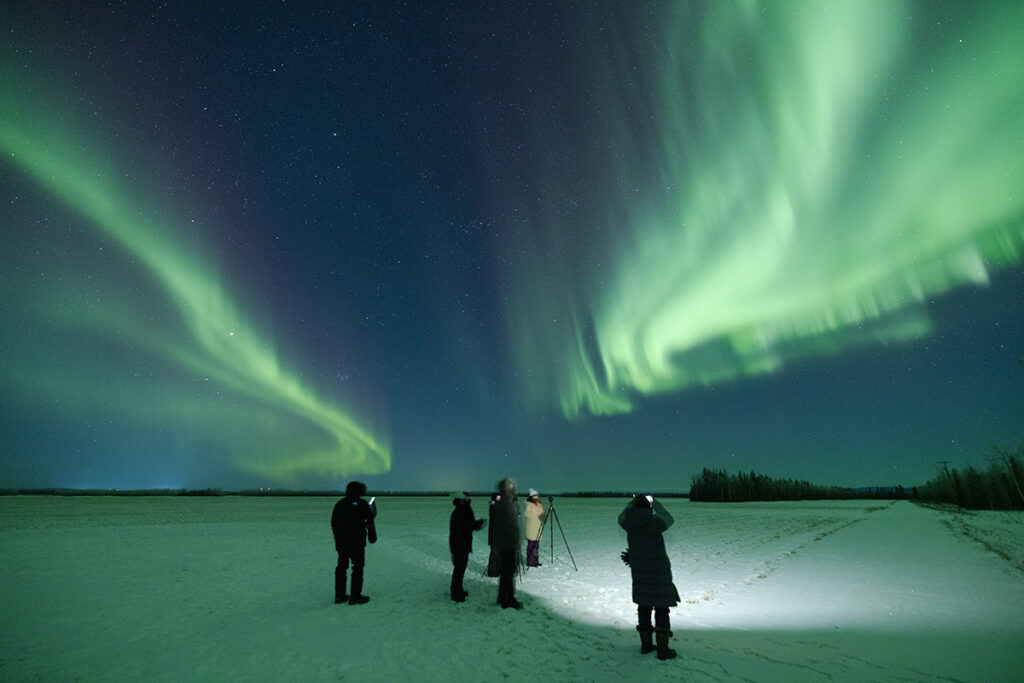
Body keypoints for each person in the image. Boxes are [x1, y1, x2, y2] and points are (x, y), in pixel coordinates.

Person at [618, 494, 680, 660]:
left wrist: (631, 503)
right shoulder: (654, 523)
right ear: (649, 507)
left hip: (639, 572)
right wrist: (656, 503)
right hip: (659, 573)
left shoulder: (629, 524)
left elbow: (621, 517)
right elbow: (669, 518)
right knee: (661, 607)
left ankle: (646, 645)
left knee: (644, 606)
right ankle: (663, 649)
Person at [331, 481, 377, 605]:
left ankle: (340, 595)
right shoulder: (361, 504)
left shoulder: (340, 504)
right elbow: (370, 518)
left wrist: (337, 538)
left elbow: (333, 523)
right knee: (357, 568)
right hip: (357, 543)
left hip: (342, 543)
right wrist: (372, 510)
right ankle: (355, 596)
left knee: (341, 568)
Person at [491, 477, 523, 609]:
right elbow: (509, 526)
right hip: (507, 545)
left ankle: (502, 597)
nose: (513, 487)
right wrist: (515, 540)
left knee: (505, 574)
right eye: (510, 485)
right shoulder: (505, 503)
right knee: (508, 574)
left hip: (505, 544)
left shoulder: (504, 502)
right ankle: (508, 600)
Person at [449, 491, 485, 602]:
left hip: (461, 543)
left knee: (460, 569)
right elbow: (465, 527)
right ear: (462, 499)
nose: (470, 499)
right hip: (459, 544)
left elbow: (468, 524)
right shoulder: (461, 511)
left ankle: (457, 589)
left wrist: (476, 524)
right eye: (467, 497)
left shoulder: (464, 509)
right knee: (459, 569)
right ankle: (456, 593)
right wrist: (477, 524)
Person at [524, 489, 546, 567]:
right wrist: (537, 516)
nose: (537, 497)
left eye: (537, 496)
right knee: (531, 545)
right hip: (531, 528)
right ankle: (530, 562)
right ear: (532, 497)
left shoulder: (539, 504)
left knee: (536, 545)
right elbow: (527, 515)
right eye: (535, 496)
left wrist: (543, 515)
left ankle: (535, 561)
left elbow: (542, 513)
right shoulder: (529, 504)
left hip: (537, 528)